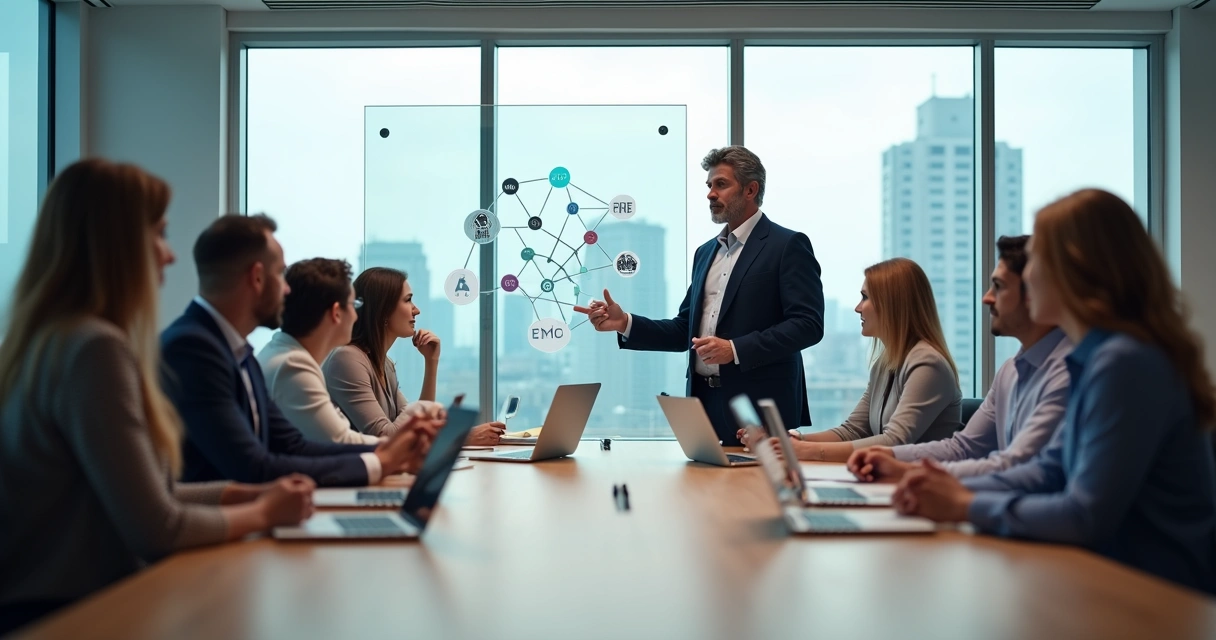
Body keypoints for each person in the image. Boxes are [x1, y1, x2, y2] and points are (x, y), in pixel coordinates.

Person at [0, 160, 314, 634]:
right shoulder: (95, 349)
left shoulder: (46, 340)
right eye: (160, 233)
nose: (169, 255)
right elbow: (156, 527)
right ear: (116, 244)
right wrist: (264, 512)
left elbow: (152, 494)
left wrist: (245, 494)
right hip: (74, 614)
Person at [893, 189, 1216, 595]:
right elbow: (1049, 471)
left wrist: (962, 504)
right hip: (1108, 578)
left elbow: (1084, 514)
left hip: (1155, 594)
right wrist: (933, 487)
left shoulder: (1124, 362)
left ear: (1075, 269)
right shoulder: (1097, 358)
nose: (1027, 275)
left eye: (1038, 259)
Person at [161, 215, 438, 487]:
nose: (287, 289)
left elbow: (292, 445)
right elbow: (252, 465)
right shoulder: (198, 348)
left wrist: (391, 456)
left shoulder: (240, 352)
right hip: (221, 523)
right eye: (281, 274)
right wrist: (386, 459)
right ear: (257, 277)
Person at [575, 146, 825, 445]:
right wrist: (624, 323)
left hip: (761, 408)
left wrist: (734, 349)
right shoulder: (706, 253)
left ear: (750, 189)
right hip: (704, 405)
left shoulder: (787, 245)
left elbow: (808, 324)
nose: (710, 194)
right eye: (709, 186)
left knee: (757, 493)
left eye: (721, 184)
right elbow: (685, 331)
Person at [848, 236, 1072, 480]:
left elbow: (1017, 467)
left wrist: (911, 471)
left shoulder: (1067, 373)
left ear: (1036, 293)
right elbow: (963, 448)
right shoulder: (1009, 371)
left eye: (998, 286)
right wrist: (893, 461)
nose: (987, 298)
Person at [764, 257, 961, 463]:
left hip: (922, 488)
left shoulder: (928, 364)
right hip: (892, 481)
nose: (858, 308)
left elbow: (895, 441)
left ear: (893, 304)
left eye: (865, 297)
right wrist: (792, 441)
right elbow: (852, 431)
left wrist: (807, 451)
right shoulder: (884, 365)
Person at [324, 267, 504, 444]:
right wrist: (460, 437)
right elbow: (386, 438)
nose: (416, 310)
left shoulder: (385, 364)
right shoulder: (347, 359)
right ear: (383, 310)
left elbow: (418, 428)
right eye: (408, 300)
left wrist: (431, 362)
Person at [257, 258, 379, 445]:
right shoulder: (293, 366)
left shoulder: (281, 353)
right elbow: (340, 441)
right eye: (354, 305)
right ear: (336, 312)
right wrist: (403, 446)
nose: (356, 316)